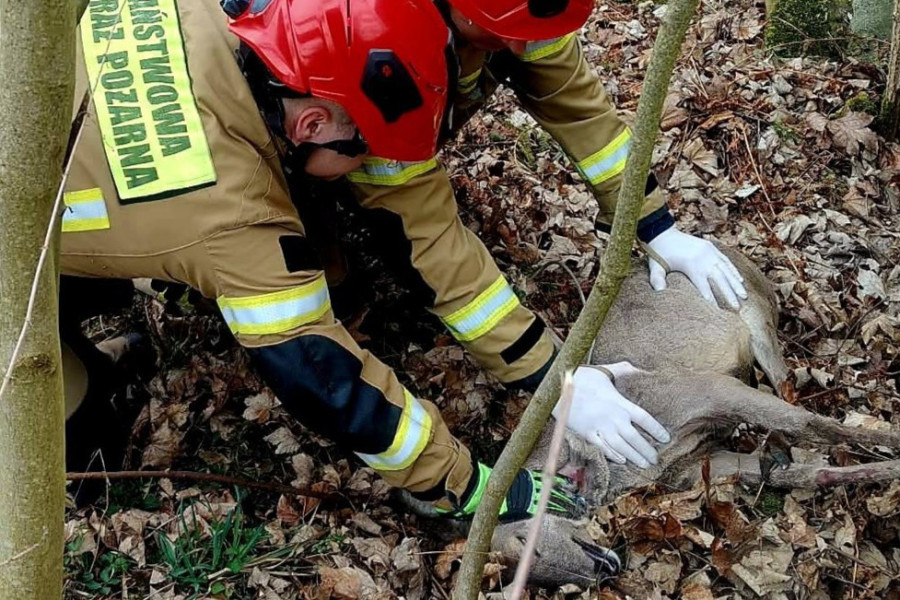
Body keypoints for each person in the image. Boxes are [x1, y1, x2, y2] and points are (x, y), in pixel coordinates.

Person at [62, 0, 586, 522]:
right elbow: (324, 376)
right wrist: (464, 487)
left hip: (44, 117)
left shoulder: (240, 19)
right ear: (311, 122)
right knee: (65, 404)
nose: (365, 166)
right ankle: (80, 446)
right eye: (364, 149)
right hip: (20, 254)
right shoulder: (232, 217)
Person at [297, 0, 748, 469]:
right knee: (324, 259)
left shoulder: (522, 15)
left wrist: (655, 225)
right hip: (311, 142)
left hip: (355, 133)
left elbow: (580, 112)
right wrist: (553, 378)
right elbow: (430, 238)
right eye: (504, 31)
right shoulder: (371, 41)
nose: (519, 46)